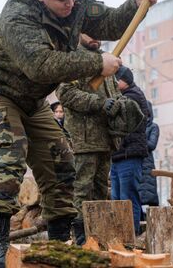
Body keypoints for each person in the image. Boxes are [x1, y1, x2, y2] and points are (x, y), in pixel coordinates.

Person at [0, 0, 162, 267]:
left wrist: (135, 4)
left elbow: (108, 21)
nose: (71, 4)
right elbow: (41, 65)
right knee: (10, 156)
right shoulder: (18, 16)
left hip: (31, 100)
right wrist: (98, 64)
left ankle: (57, 246)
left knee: (61, 163)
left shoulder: (75, 1)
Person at [55, 33, 122, 246]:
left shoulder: (107, 60)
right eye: (89, 32)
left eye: (98, 33)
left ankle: (100, 237)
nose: (95, 37)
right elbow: (66, 93)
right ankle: (82, 238)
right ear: (79, 33)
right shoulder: (74, 59)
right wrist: (99, 103)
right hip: (83, 138)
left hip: (105, 137)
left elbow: (113, 94)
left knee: (102, 188)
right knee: (82, 188)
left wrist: (122, 106)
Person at [111, 66, 149, 235]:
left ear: (123, 81)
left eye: (114, 80)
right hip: (120, 155)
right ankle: (121, 234)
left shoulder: (131, 97)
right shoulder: (126, 95)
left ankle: (130, 235)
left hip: (129, 155)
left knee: (127, 198)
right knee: (117, 198)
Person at [139, 100, 160, 220]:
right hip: (135, 163)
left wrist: (136, 141)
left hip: (147, 165)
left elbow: (152, 144)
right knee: (136, 197)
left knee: (149, 196)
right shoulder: (134, 125)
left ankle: (153, 221)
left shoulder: (153, 127)